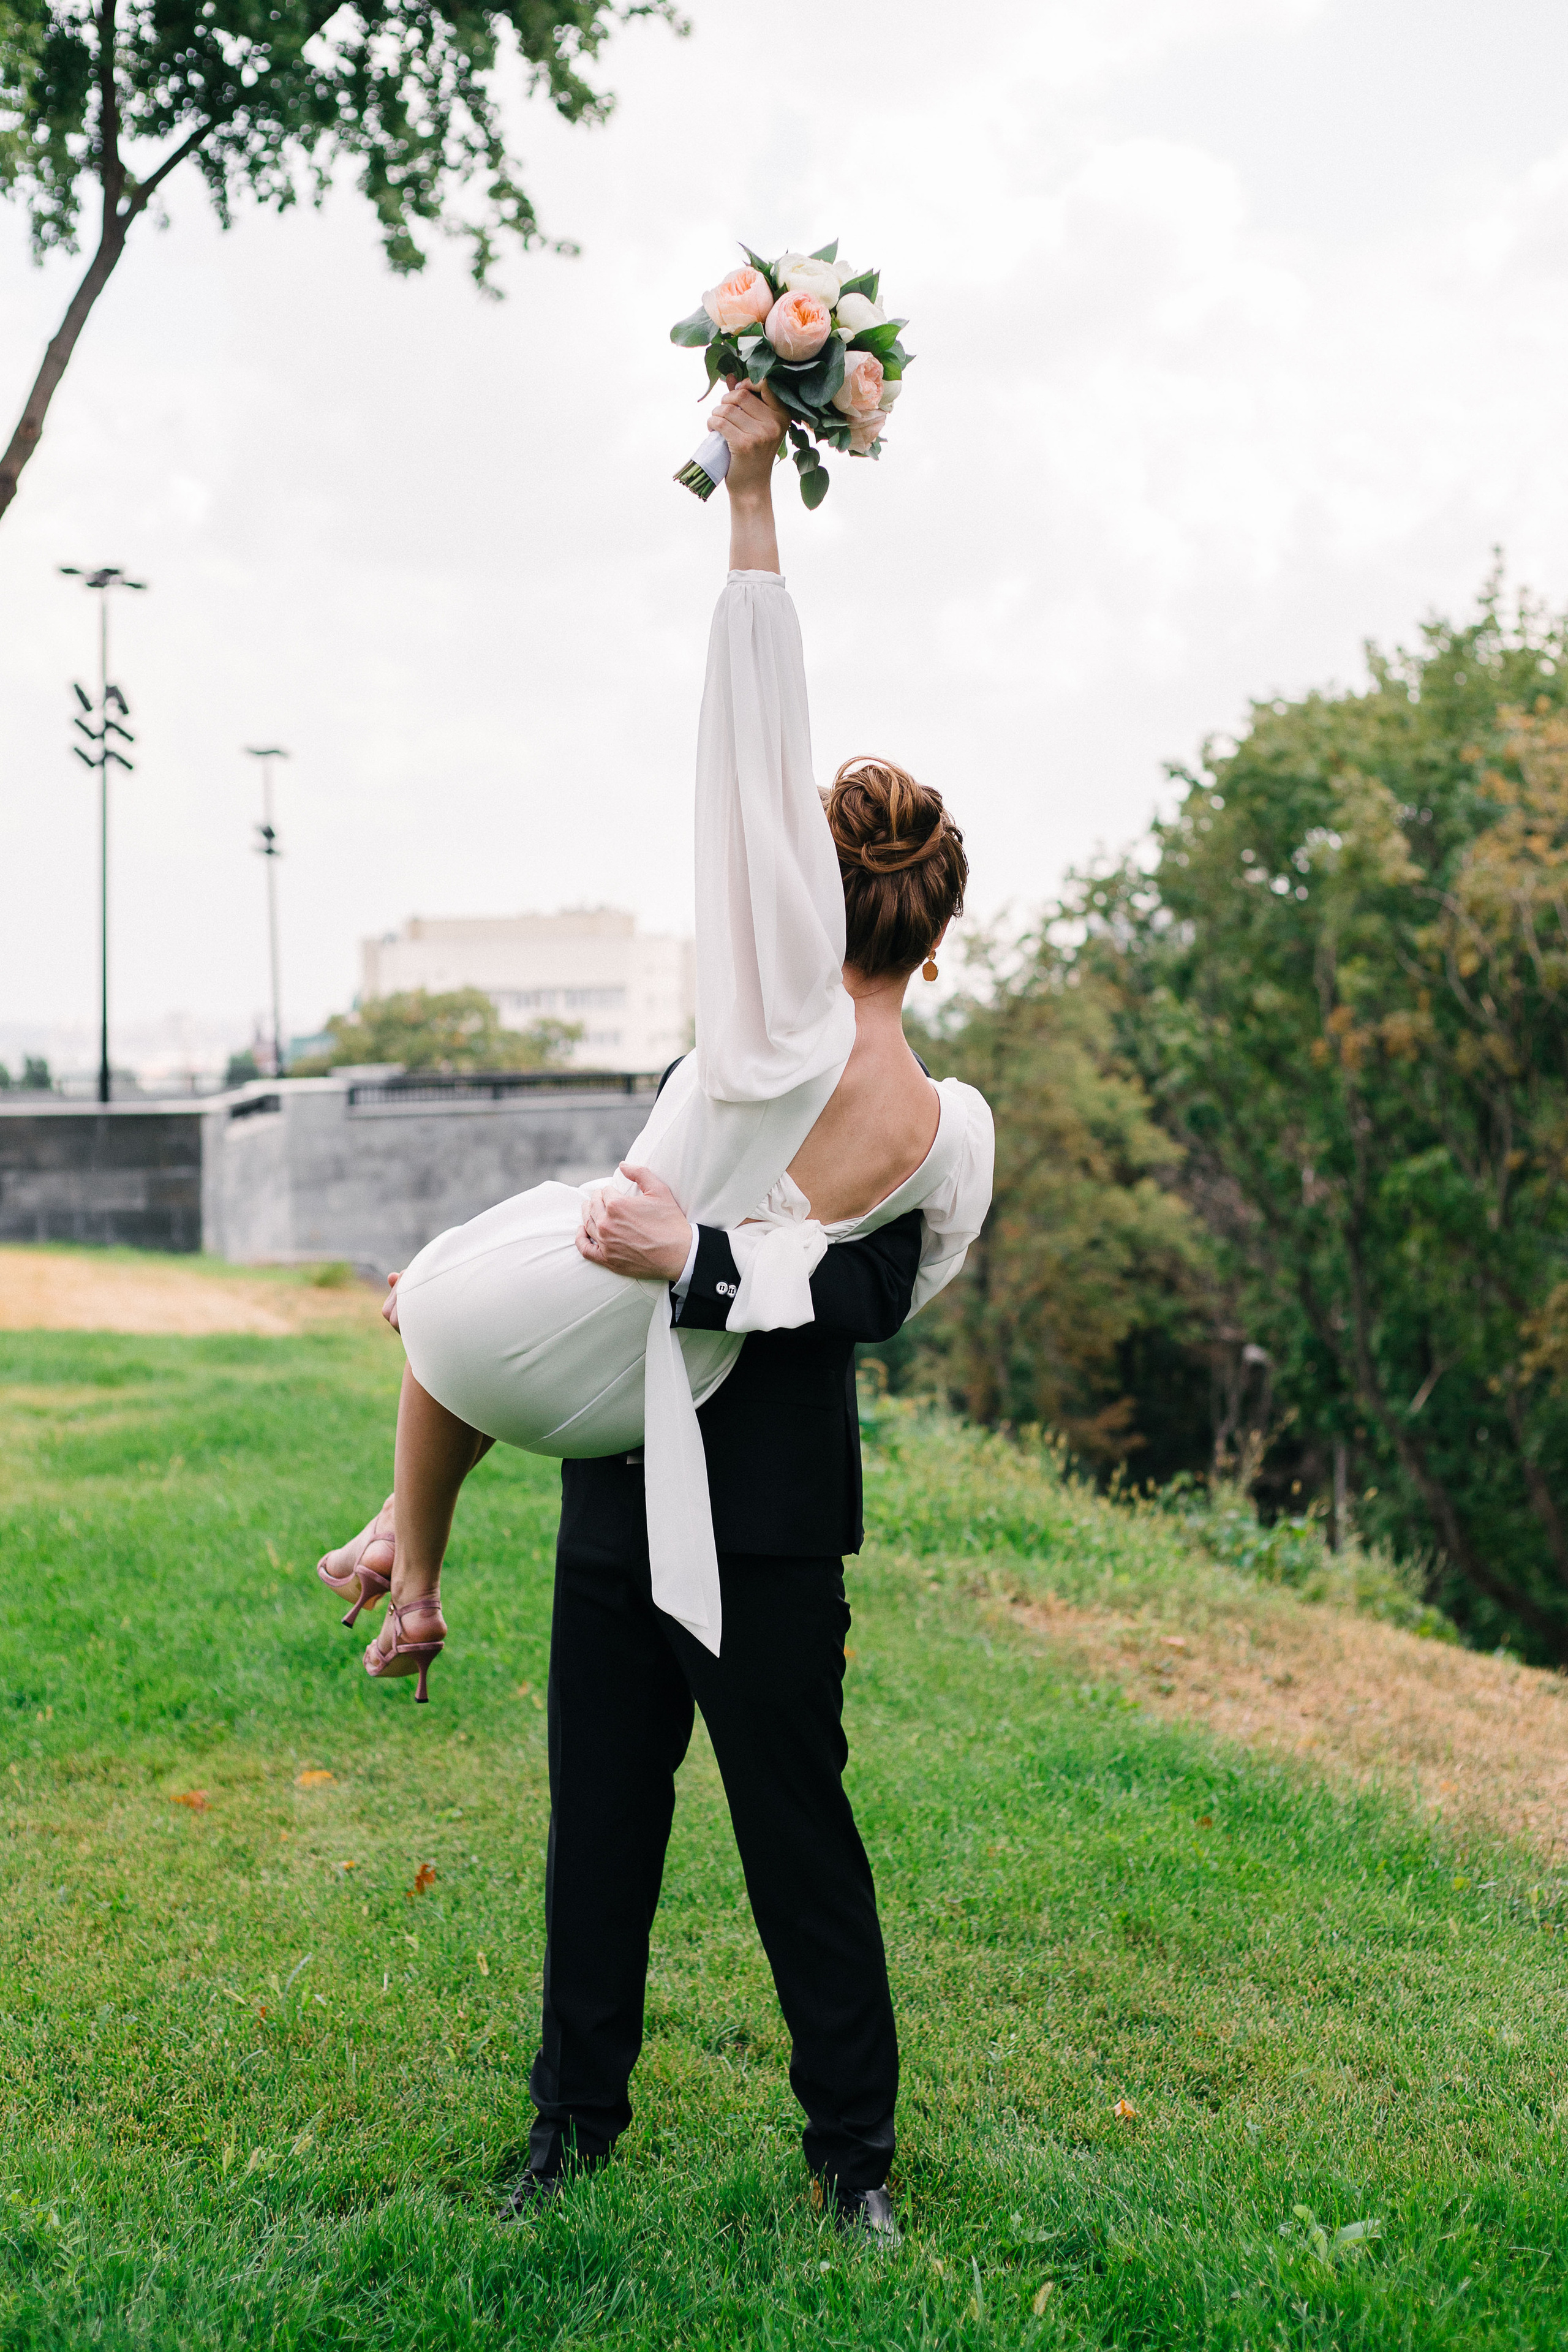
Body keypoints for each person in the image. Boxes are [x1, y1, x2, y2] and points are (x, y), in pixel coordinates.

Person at [315, 379, 993, 2232]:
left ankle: (854, 2159)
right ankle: (570, 2127)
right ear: (929, 930)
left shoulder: (951, 1131)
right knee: (598, 1828)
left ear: (836, 901)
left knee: (799, 1841)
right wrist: (753, 496)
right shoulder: (760, 1021)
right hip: (630, 1465)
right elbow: (755, 735)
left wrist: (698, 1262)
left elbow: (868, 1303)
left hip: (770, 1522)